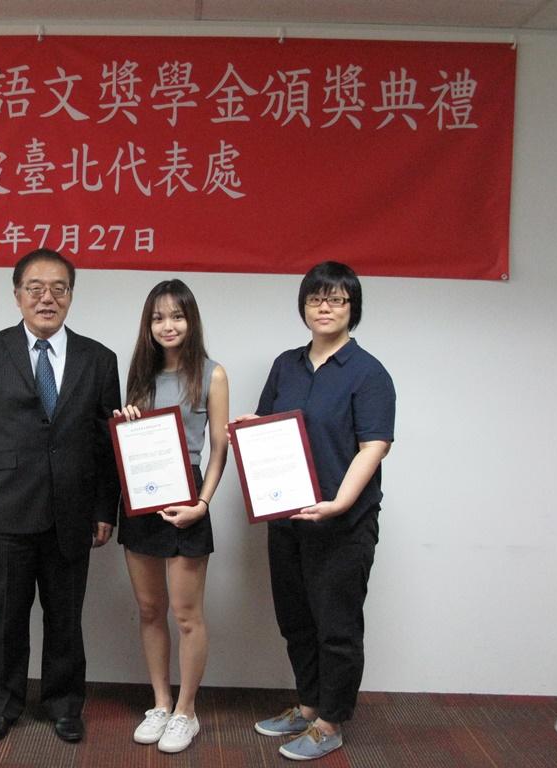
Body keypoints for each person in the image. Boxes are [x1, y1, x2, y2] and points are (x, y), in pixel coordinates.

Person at [0, 248, 121, 745]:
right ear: (17, 294)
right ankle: (2, 705)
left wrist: (102, 509)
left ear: (71, 295)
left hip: (72, 512)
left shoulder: (99, 358)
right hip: (6, 508)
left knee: (66, 617)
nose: (47, 298)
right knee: (6, 617)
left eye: (58, 289)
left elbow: (105, 444)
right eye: (35, 288)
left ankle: (65, 705)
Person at [233, 261, 395, 761]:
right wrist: (246, 427)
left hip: (342, 524)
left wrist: (340, 503)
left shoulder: (368, 373)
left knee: (337, 626)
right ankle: (307, 705)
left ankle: (330, 721)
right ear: (303, 306)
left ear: (353, 309)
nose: (324, 307)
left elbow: (374, 446)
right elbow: (269, 423)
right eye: (315, 299)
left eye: (337, 299)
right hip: (287, 518)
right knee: (296, 619)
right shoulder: (286, 363)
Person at [114, 279, 229, 754]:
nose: (168, 325)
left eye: (176, 316)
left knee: (186, 615)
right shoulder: (139, 374)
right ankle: (160, 702)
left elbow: (220, 446)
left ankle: (186, 711)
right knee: (148, 609)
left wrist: (202, 504)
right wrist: (126, 424)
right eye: (158, 317)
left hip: (188, 497)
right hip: (141, 496)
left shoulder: (212, 373)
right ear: (149, 324)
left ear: (191, 320)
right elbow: (132, 443)